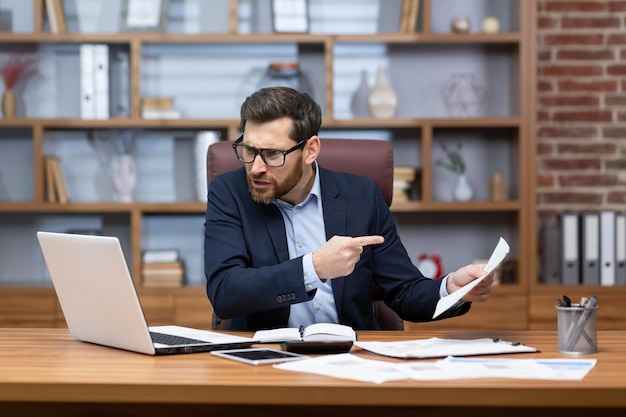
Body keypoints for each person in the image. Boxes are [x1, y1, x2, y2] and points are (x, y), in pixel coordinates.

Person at [204, 86, 494, 331]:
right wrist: (313, 268)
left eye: (272, 155)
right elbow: (225, 292)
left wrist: (451, 289)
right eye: (248, 150)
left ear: (310, 150)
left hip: (352, 359)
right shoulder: (230, 193)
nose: (255, 167)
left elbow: (403, 291)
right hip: (267, 364)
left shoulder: (362, 195)